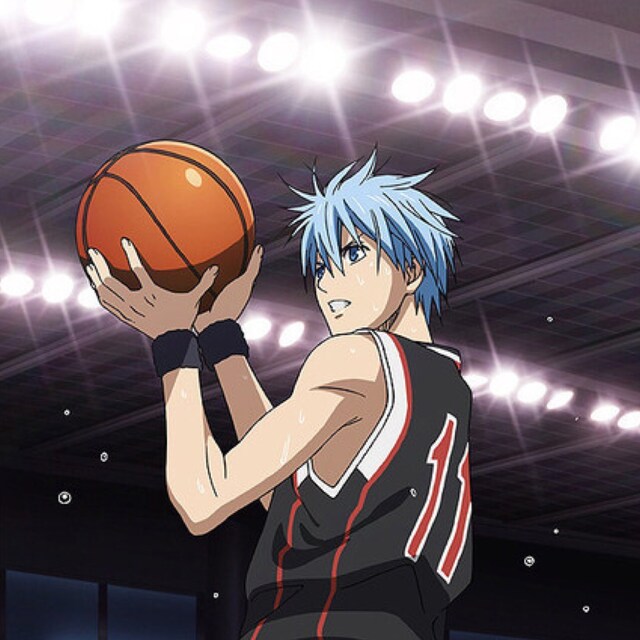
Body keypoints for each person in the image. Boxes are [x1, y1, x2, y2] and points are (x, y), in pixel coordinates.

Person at [85, 148, 473, 640]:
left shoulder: (356, 356)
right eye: (322, 266)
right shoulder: (446, 384)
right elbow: (293, 497)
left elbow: (202, 500)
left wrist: (172, 339)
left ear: (412, 270)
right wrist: (220, 337)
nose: (330, 283)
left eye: (354, 254)